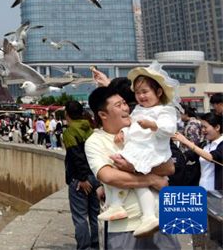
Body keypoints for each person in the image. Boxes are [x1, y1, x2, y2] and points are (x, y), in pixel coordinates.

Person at [85, 86, 179, 249]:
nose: (126, 108)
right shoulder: (95, 141)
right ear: (102, 115)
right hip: (125, 225)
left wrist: (131, 168)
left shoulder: (143, 127)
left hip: (161, 218)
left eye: (124, 103)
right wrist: (151, 179)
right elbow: (109, 176)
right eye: (118, 105)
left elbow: (169, 167)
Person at [63, 101, 100, 250]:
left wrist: (82, 178)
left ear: (67, 114)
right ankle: (97, 245)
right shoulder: (90, 129)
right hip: (95, 176)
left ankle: (84, 247)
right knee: (95, 215)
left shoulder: (70, 132)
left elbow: (76, 155)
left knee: (80, 217)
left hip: (80, 179)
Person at [174, 111, 223, 191]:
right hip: (202, 190)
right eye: (201, 127)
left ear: (217, 127)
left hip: (219, 194)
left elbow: (211, 157)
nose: (203, 130)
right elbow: (187, 156)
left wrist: (186, 142)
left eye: (205, 127)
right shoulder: (204, 144)